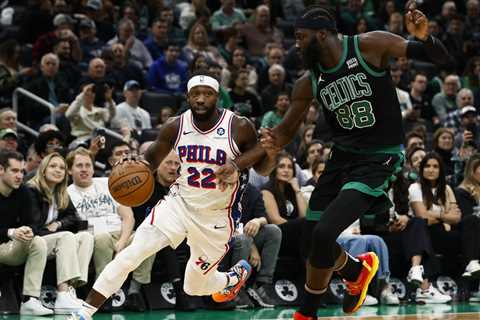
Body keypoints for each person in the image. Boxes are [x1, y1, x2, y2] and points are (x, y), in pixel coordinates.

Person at [215, 2, 451, 318]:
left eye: (301, 37)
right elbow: (284, 133)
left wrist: (426, 37)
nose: (296, 44)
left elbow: (440, 58)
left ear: (323, 33)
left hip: (378, 159)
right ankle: (355, 271)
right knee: (311, 241)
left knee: (325, 233)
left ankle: (307, 312)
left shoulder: (369, 45)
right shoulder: (308, 81)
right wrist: (245, 159)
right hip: (341, 158)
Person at [69, 71, 276, 320]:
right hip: (179, 205)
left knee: (194, 287)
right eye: (195, 94)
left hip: (216, 217)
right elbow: (151, 160)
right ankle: (83, 312)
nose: (200, 99)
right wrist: (135, 164)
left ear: (217, 97)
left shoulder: (239, 126)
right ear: (187, 97)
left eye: (207, 94)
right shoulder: (176, 126)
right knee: (131, 254)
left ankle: (231, 278)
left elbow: (262, 167)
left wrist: (260, 157)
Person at [66, 147, 155, 312]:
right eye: (79, 165)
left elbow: (128, 217)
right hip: (95, 237)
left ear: (93, 168)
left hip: (120, 233)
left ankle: (135, 292)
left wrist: (122, 241)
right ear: (70, 170)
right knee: (102, 239)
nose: (84, 169)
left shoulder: (108, 183)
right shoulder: (67, 194)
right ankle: (103, 294)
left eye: (88, 165)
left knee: (147, 237)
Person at [27, 153, 94, 314]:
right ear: (43, 170)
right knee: (66, 237)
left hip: (50, 239)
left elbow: (75, 219)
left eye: (62, 168)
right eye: (53, 166)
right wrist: (56, 231)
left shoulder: (60, 192)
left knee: (86, 237)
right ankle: (62, 294)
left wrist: (58, 224)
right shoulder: (32, 190)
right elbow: (31, 226)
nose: (58, 170)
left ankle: (70, 291)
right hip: (32, 241)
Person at [0, 150, 51, 315]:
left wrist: (27, 231)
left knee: (38, 241)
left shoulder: (23, 192)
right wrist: (10, 232)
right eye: (14, 171)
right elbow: (11, 232)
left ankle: (30, 300)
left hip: (10, 247)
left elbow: (33, 223)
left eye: (22, 171)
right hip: (4, 242)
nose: (20, 176)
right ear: (1, 170)